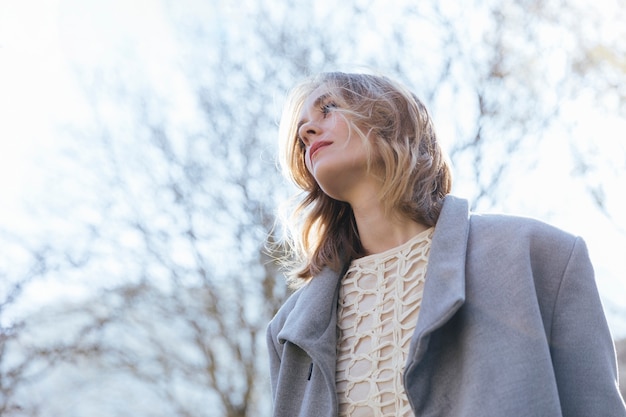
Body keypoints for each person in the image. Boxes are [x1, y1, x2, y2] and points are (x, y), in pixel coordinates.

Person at [266, 71, 626, 417]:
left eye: (328, 108)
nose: (309, 130)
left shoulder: (541, 257)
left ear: (390, 117)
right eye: (302, 135)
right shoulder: (289, 331)